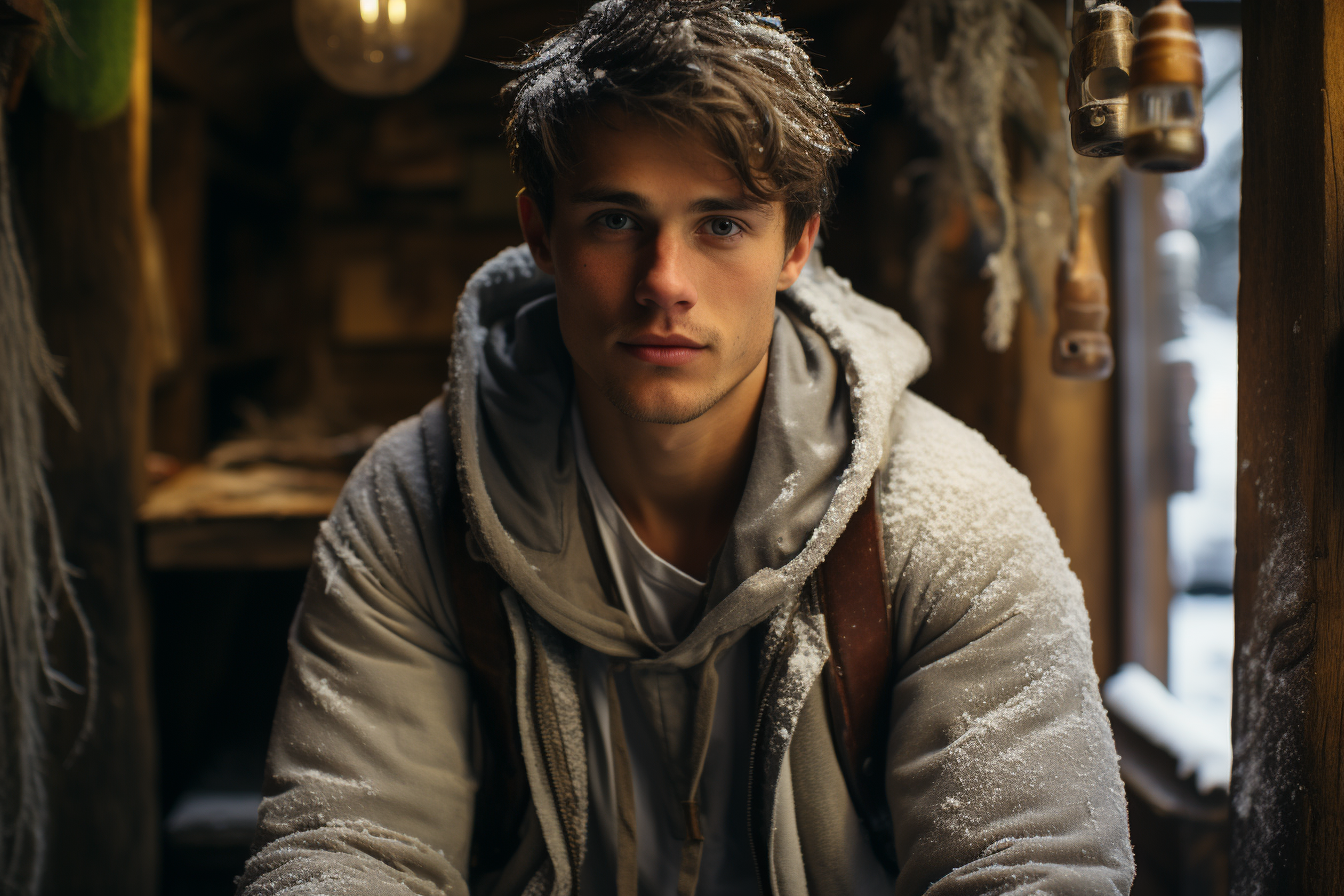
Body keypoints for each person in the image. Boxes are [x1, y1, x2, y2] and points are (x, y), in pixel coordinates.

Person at [237, 2, 1134, 894]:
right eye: (617, 221)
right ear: (540, 233)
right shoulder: (414, 500)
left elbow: (1033, 870)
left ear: (798, 246)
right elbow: (347, 850)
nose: (666, 283)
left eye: (722, 224)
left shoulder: (949, 513)